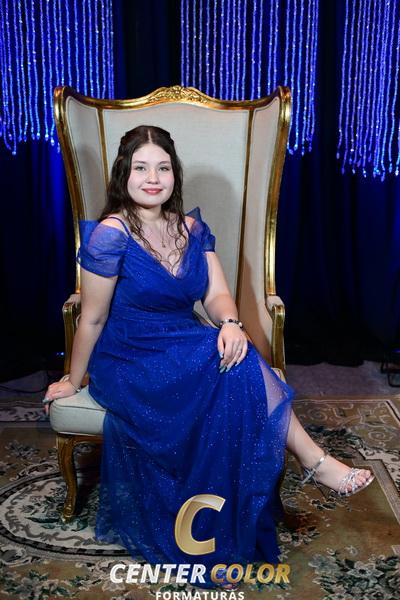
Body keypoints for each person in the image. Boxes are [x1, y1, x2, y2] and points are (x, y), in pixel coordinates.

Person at [44, 125, 374, 589]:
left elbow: (217, 295)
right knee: (234, 361)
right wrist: (71, 378)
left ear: (174, 174)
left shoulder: (191, 229)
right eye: (141, 168)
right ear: (124, 174)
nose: (153, 178)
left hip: (184, 341)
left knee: (235, 354)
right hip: (130, 357)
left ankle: (224, 526)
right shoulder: (110, 235)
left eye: (163, 168)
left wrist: (231, 322)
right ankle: (315, 461)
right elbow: (93, 319)